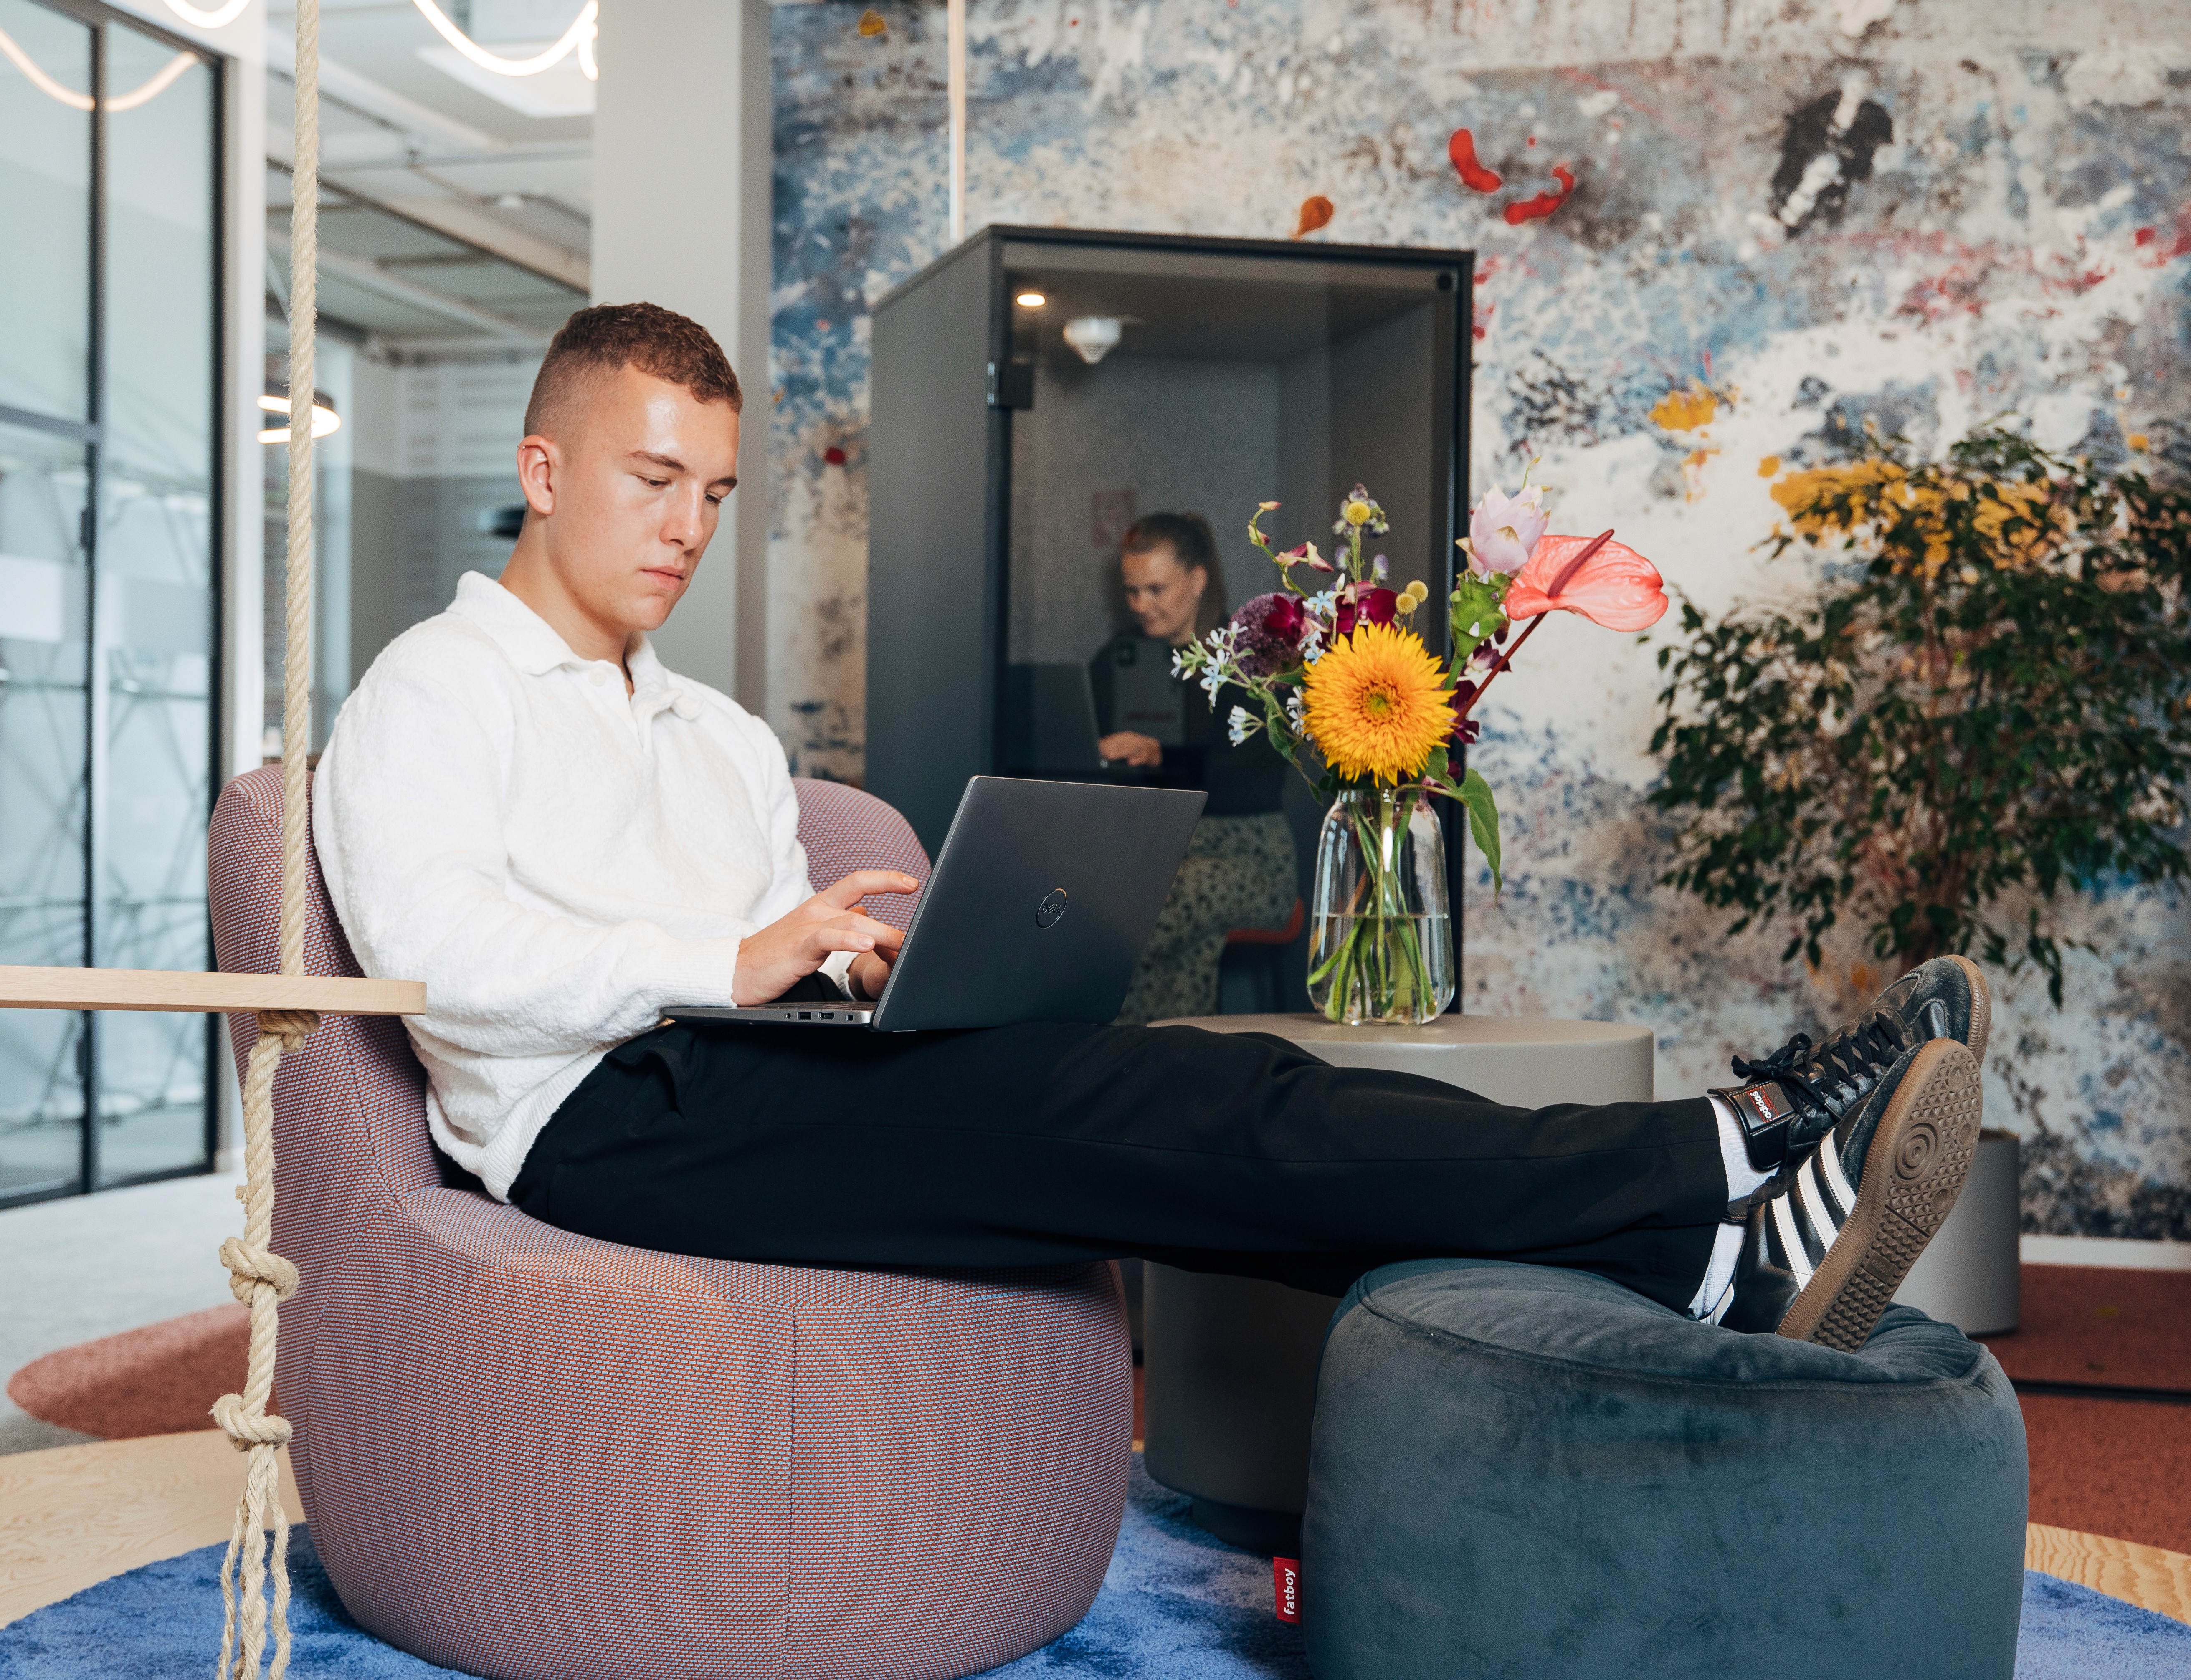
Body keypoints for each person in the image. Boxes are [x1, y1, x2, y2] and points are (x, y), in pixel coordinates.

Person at [315, 301, 1986, 1354]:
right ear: (542, 467)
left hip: (743, 1077)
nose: (685, 528)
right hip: (602, 1129)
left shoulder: (721, 733)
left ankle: (1707, 1264)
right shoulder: (430, 689)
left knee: (1211, 1105)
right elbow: (437, 960)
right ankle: (1724, 1146)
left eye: (714, 494)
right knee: (1185, 1100)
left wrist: (852, 973)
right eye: (648, 480)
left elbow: (771, 968)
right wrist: (736, 957)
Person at [1089, 512, 1294, 1023]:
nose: (1142, 606)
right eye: (1133, 591)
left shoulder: (1250, 661)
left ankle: (1120, 1054)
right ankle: (1151, 1062)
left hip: (1250, 855)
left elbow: (1256, 778)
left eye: (1156, 589)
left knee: (1145, 904)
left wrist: (1163, 755)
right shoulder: (1120, 661)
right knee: (1108, 898)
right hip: (1158, 852)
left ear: (1198, 579)